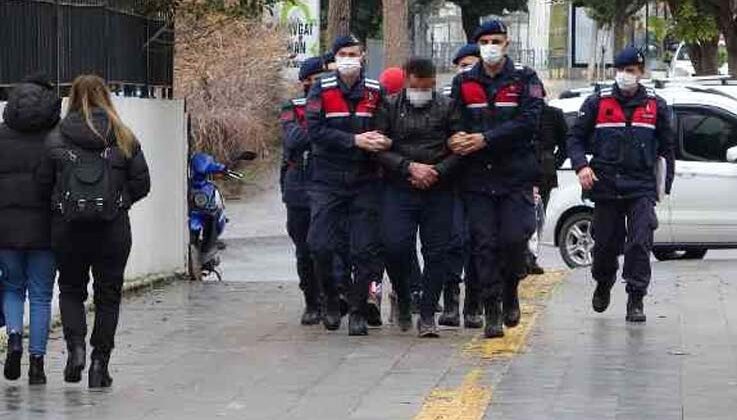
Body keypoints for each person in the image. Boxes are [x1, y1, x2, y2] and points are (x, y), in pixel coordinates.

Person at [36, 74, 151, 387]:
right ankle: (100, 364)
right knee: (108, 296)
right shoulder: (123, 135)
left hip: (68, 229)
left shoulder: (56, 137)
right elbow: (143, 183)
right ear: (106, 97)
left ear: (72, 98)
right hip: (112, 230)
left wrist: (61, 203)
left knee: (72, 290)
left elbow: (42, 184)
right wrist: (118, 200)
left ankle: (75, 351)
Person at [448, 20, 545, 339]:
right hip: (477, 178)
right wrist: (455, 139)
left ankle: (511, 288)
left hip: (515, 175)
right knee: (484, 244)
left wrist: (485, 139)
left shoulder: (525, 78)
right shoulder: (463, 82)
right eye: (485, 41)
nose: (491, 46)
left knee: (515, 239)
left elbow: (529, 122)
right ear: (477, 44)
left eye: (497, 40)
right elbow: (453, 119)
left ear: (507, 43)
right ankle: (491, 308)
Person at [567, 47, 675, 323]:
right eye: (621, 70)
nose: (625, 76)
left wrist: (665, 186)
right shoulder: (597, 103)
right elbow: (575, 139)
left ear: (641, 73)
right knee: (604, 245)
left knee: (640, 241)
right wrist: (582, 166)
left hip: (640, 186)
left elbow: (667, 147)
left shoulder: (655, 105)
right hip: (607, 185)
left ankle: (635, 298)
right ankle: (603, 282)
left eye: (631, 71)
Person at [305, 35, 389, 336]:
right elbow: (314, 129)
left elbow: (386, 125)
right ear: (334, 57)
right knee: (319, 244)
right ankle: (330, 296)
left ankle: (357, 310)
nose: (349, 58)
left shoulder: (376, 91)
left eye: (354, 53)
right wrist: (353, 140)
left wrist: (382, 140)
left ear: (363, 56)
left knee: (364, 248)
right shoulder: (321, 88)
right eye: (343, 53)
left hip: (365, 178)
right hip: (327, 178)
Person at [376, 57, 460, 337]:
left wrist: (437, 171)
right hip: (399, 187)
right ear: (406, 79)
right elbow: (378, 147)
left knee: (437, 252)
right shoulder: (389, 105)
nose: (422, 91)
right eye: (417, 86)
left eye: (429, 86)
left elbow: (460, 148)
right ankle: (402, 294)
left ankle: (426, 315)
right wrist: (407, 167)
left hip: (438, 188)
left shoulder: (447, 106)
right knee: (394, 246)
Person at [0, 74, 61, 384]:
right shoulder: (57, 138)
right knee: (40, 295)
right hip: (46, 231)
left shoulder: (0, 136)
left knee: (12, 288)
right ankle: (36, 363)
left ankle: (13, 338)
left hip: (6, 230)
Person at [280, 57, 326, 325]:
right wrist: (322, 129)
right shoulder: (292, 106)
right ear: (305, 81)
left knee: (327, 245)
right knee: (304, 248)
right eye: (316, 79)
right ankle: (312, 300)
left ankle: (332, 295)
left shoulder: (334, 105)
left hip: (328, 181)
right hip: (298, 186)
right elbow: (293, 139)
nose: (320, 85)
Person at [440, 42, 481, 328]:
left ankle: (474, 304)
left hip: (484, 180)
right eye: (462, 65)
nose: (466, 70)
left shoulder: (491, 97)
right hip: (453, 181)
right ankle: (451, 301)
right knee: (453, 241)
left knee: (479, 244)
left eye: (471, 64)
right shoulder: (447, 98)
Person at [526, 90, 569, 275]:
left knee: (538, 216)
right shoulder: (522, 114)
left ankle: (532, 257)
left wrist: (553, 162)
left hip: (544, 171)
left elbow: (566, 144)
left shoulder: (554, 114)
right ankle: (521, 257)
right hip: (522, 170)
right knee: (520, 217)